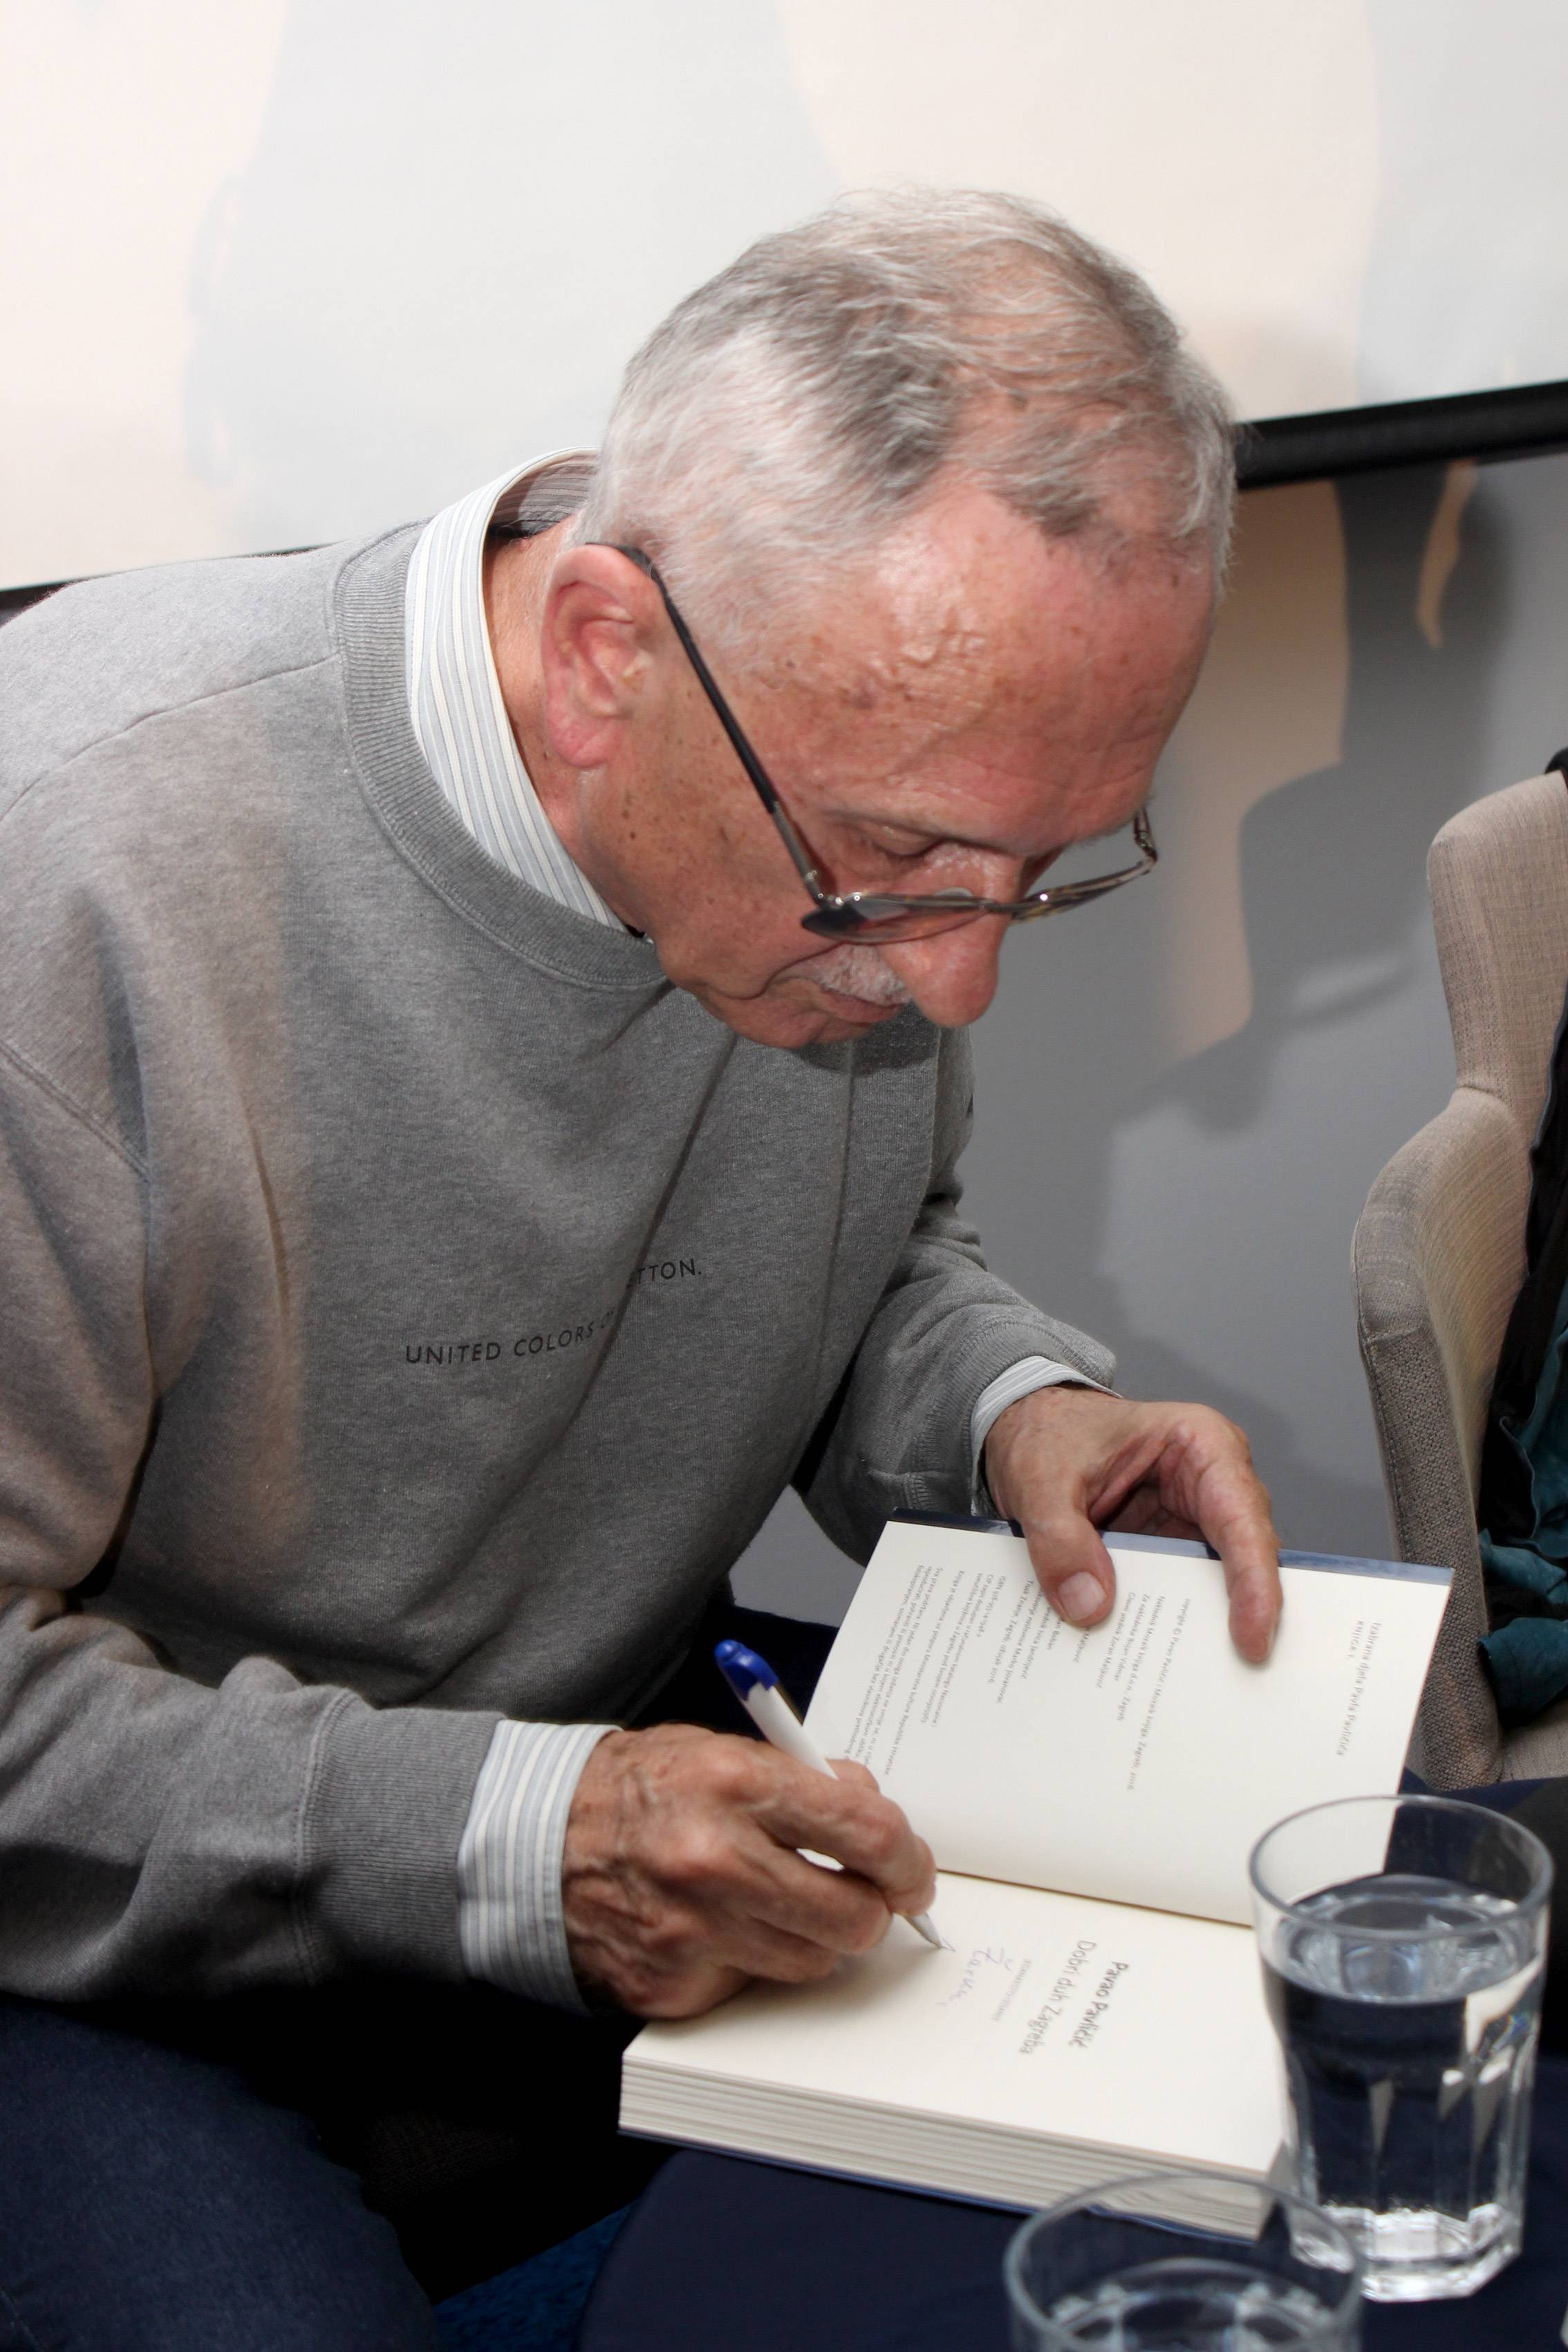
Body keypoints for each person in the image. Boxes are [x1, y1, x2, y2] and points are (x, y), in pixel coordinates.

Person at [0, 189, 1280, 2342]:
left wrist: (1007, 1411)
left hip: (629, 1773)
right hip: (116, 1919)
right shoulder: (71, 868)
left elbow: (853, 1253)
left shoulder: (847, 803)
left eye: (1041, 873)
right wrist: (524, 1828)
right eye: (897, 870)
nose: (956, 985)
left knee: (1266, 2068)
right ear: (605, 652)